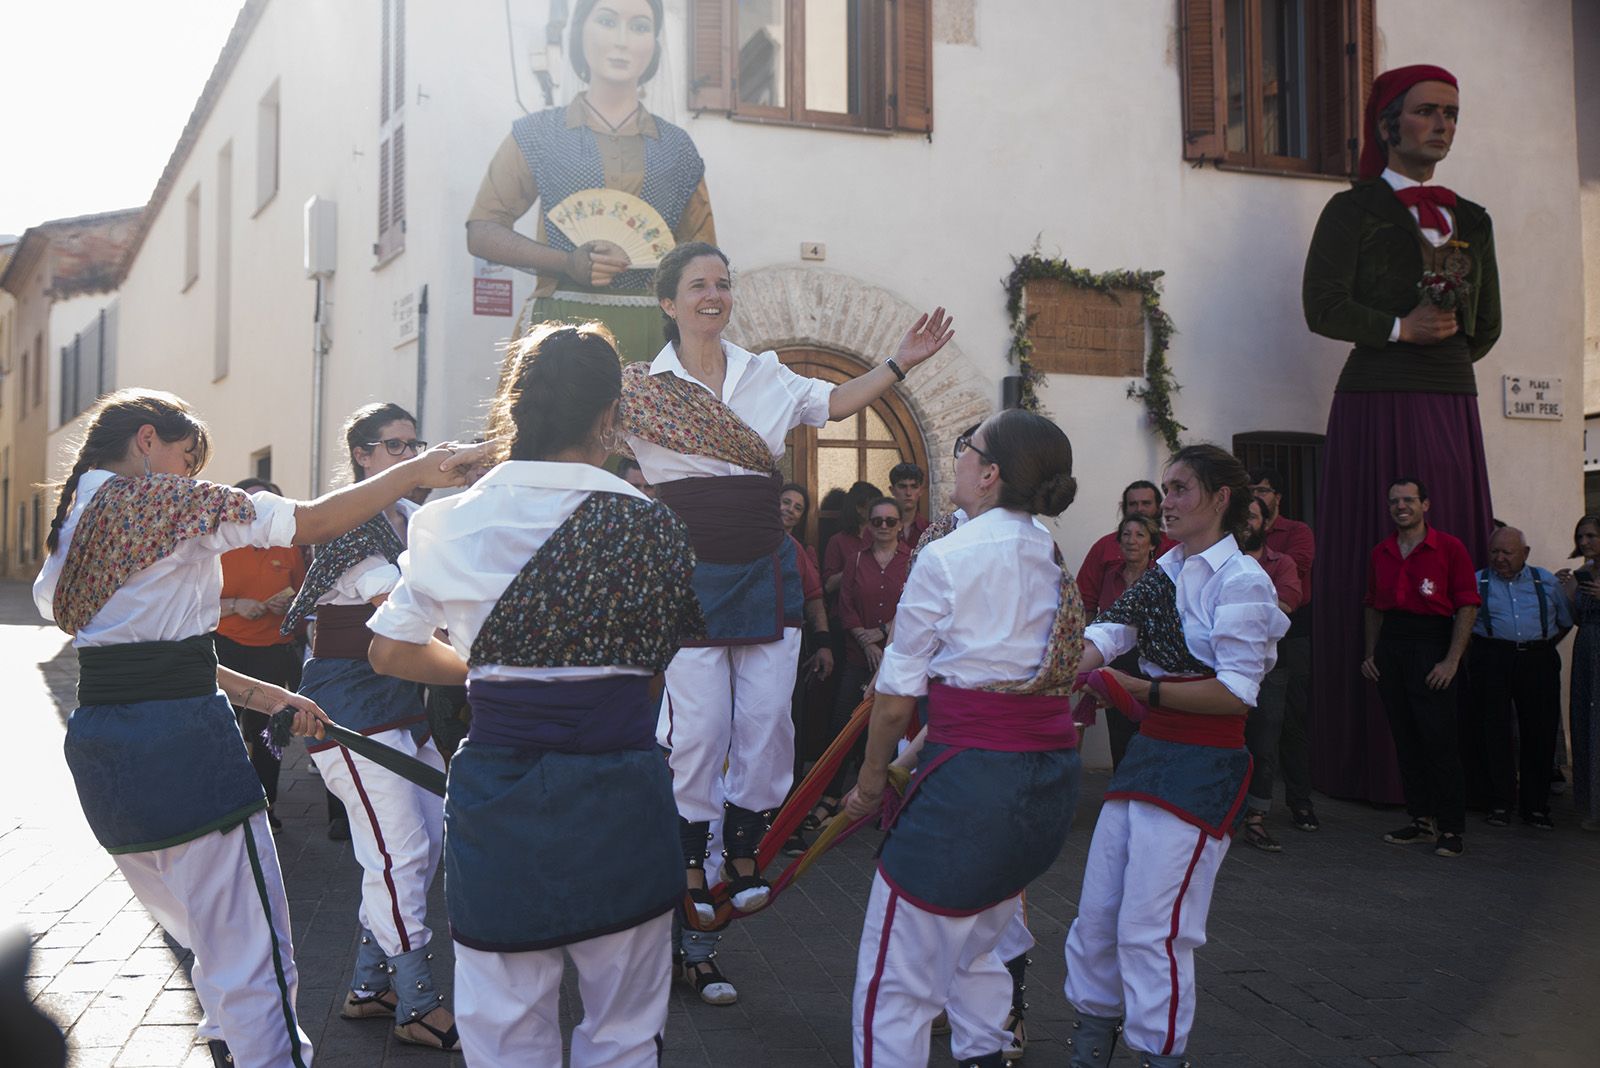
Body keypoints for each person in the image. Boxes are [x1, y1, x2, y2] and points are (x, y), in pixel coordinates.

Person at [33, 388, 483, 1067]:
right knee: (252, 957)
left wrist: (254, 690)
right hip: (183, 750)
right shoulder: (170, 502)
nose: (191, 473)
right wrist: (418, 470)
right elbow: (309, 520)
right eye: (188, 457)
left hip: (105, 762)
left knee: (212, 952)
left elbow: (140, 649)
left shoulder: (71, 523)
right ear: (148, 440)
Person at [620, 241, 952, 1003]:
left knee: (767, 723)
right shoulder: (639, 390)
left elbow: (833, 404)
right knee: (697, 730)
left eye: (723, 284)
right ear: (668, 302)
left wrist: (900, 364)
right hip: (689, 576)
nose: (714, 295)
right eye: (698, 285)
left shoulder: (764, 374)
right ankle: (690, 866)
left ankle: (742, 851)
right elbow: (572, 437)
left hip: (765, 569)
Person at [367, 322, 700, 1066]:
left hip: (502, 794)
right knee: (623, 1030)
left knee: (506, 1030)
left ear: (516, 411)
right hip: (621, 787)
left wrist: (484, 668)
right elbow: (655, 667)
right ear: (611, 416)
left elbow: (387, 650)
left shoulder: (445, 523)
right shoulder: (653, 525)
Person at [844, 410, 1083, 1068]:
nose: (959, 460)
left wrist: (868, 787)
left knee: (895, 980)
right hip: (1045, 783)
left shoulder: (948, 556)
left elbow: (895, 702)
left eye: (968, 450)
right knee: (982, 943)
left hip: (972, 786)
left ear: (991, 472)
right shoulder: (1048, 550)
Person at [1304, 65, 1501, 806]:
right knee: (1376, 555)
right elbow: (1321, 305)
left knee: (1454, 557)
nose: (1443, 125)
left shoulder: (1474, 220)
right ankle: (1370, 762)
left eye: (1452, 112)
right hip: (1375, 397)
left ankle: (1460, 769)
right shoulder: (1351, 210)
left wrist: (1441, 353)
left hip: (1451, 398)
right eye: (1427, 113)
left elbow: (1486, 326)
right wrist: (1397, 330)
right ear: (1389, 124)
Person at [1063, 444, 1288, 1068]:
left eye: (1181, 488)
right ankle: (1090, 1046)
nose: (1167, 501)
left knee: (1151, 927)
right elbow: (1111, 632)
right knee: (1098, 915)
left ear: (1220, 499)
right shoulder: (1166, 568)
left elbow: (1240, 692)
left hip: (1204, 763)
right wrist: (1055, 670)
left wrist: (1140, 689)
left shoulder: (1244, 580)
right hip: (1150, 756)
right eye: (1165, 487)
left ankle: (1159, 1053)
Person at [278, 403, 458, 1050]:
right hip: (348, 706)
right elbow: (400, 606)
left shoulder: (415, 519)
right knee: (398, 852)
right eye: (393, 445)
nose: (408, 453)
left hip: (411, 700)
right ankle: (416, 1003)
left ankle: (367, 985)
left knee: (420, 849)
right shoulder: (346, 524)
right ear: (362, 455)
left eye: (415, 443)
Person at [465, 0, 714, 360]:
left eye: (640, 27)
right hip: (559, 330)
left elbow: (703, 257)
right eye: (608, 21)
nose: (622, 41)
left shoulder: (678, 149)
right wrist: (566, 263)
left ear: (654, 46)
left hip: (653, 336)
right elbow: (483, 230)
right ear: (580, 30)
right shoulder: (537, 135)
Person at [1363, 477, 1480, 858]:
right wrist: (1371, 654)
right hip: (1393, 649)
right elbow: (1373, 606)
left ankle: (1451, 828)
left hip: (1432, 647)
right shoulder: (1381, 552)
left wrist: (1451, 660)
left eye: (1409, 500)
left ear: (1425, 505)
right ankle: (1420, 820)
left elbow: (1467, 605)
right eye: (1394, 500)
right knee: (1406, 739)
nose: (1401, 506)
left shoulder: (1449, 548)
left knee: (1440, 741)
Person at [216, 478, 307, 831]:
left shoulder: (289, 548)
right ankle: (227, 805)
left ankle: (266, 807)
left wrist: (289, 604)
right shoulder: (218, 545)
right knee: (225, 730)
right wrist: (236, 605)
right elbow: (194, 602)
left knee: (269, 734)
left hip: (271, 650)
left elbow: (304, 595)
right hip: (225, 649)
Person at [814, 497, 912, 822]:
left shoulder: (913, 560)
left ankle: (880, 801)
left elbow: (913, 607)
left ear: (900, 525)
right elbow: (845, 606)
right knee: (841, 725)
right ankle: (829, 796)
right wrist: (865, 640)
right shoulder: (856, 560)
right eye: (877, 521)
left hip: (896, 658)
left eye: (890, 521)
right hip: (859, 656)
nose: (884, 527)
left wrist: (882, 634)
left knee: (887, 729)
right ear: (868, 525)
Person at [1468, 526, 1571, 830]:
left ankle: (1535, 807)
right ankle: (1500, 803)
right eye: (1495, 552)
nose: (1499, 558)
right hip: (1491, 657)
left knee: (1539, 731)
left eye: (1507, 552)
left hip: (1537, 658)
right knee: (1493, 730)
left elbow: (1565, 621)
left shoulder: (1547, 581)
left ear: (1525, 554)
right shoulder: (1477, 581)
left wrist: (1540, 645)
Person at [1247, 467, 1319, 831]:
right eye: (1251, 489)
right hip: (1247, 647)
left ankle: (1299, 801)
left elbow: (1296, 577)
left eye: (1263, 489)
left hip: (1290, 640)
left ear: (1277, 498)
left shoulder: (1295, 535)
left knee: (1289, 724)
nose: (1257, 494)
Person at [1239, 496, 1305, 853]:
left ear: (1266, 523)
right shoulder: (1221, 563)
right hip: (1225, 664)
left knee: (1264, 741)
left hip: (1269, 667)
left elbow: (1288, 606)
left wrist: (1243, 595)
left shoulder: (1283, 563)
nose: (1245, 522)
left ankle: (1256, 818)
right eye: (1240, 516)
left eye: (1251, 516)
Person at [1094, 512, 1162, 769]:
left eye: (1140, 535)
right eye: (1126, 535)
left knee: (1147, 730)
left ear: (1152, 544)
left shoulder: (1162, 579)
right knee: (1119, 730)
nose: (1132, 541)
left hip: (1149, 663)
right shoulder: (1110, 576)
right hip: (1116, 660)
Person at [1556, 516, 1600, 831]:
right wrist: (1564, 592)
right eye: (1580, 536)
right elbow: (1573, 618)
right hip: (1587, 651)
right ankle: (1593, 805)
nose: (1584, 542)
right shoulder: (1583, 573)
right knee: (1588, 724)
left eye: (1591, 536)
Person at [1076, 480, 1176, 620]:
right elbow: (1084, 601)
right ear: (1124, 508)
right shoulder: (1104, 546)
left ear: (1159, 507)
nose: (1139, 509)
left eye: (1146, 503)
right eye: (1133, 504)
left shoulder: (1175, 547)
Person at [824, 480, 885, 597]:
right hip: (846, 607)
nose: (879, 511)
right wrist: (857, 566)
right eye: (874, 505)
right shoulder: (838, 541)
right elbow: (829, 585)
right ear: (859, 508)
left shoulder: (883, 537)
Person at [890, 461, 931, 548]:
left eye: (914, 487)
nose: (908, 493)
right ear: (892, 490)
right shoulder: (880, 529)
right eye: (902, 487)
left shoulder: (931, 530)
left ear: (921, 491)